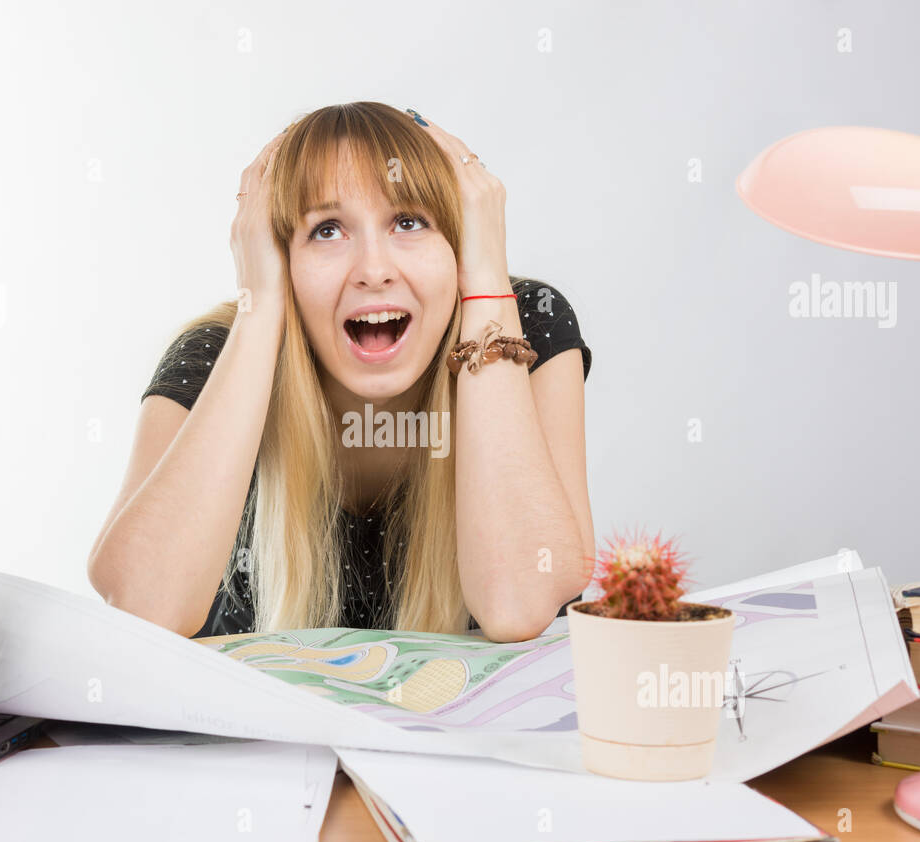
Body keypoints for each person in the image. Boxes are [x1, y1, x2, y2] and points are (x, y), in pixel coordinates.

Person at [88, 102, 595, 643]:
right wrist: (260, 306)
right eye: (327, 231)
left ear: (461, 241)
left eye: (409, 221)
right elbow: (142, 607)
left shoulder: (523, 323)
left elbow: (521, 602)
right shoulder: (218, 354)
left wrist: (488, 286)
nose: (374, 271)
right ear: (280, 257)